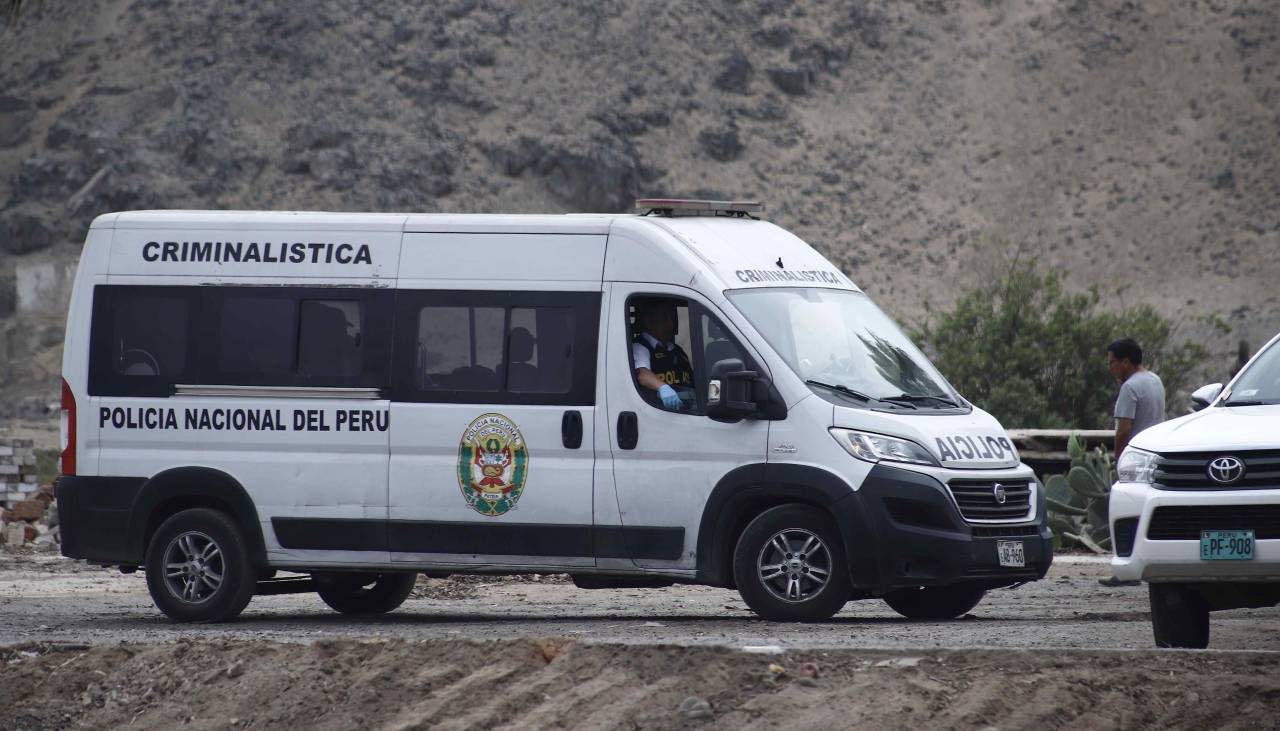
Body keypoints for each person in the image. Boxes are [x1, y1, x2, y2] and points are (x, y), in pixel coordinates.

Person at [1107, 338, 1166, 458]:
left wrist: (1119, 461)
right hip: (1156, 453)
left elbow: (1123, 431)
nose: (1110, 368)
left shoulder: (1130, 387)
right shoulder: (1156, 379)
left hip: (1136, 456)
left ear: (1125, 362)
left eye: (1112, 362)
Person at [632, 299, 695, 411]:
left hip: (689, 412)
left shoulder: (677, 350)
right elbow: (642, 374)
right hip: (660, 413)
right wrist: (663, 388)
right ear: (649, 321)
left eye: (672, 318)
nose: (671, 324)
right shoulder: (640, 346)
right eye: (665, 318)